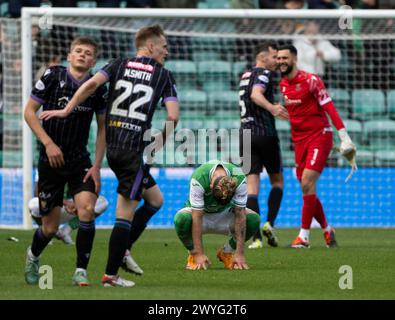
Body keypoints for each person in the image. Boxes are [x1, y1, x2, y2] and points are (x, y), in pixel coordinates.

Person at [40, 25, 180, 287]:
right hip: (134, 151)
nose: (167, 50)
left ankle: (124, 248)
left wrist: (66, 110)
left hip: (113, 148)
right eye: (163, 45)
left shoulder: (118, 63)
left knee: (155, 199)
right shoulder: (164, 75)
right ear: (150, 46)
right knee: (124, 215)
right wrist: (156, 146)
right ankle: (111, 274)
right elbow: (173, 116)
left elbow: (91, 84)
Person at [24, 37, 107, 286]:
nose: (82, 55)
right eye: (78, 51)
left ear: (93, 61)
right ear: (69, 56)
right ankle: (32, 256)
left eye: (88, 53)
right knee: (49, 229)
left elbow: (103, 129)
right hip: (50, 162)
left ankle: (80, 271)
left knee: (87, 211)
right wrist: (48, 144)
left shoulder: (98, 88)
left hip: (79, 160)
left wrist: (97, 165)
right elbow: (29, 112)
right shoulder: (52, 76)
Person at [277, 44, 357, 248]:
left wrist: (343, 135)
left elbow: (329, 107)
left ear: (294, 59)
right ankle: (327, 230)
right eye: (278, 58)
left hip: (320, 136)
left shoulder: (311, 81)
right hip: (299, 141)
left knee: (306, 183)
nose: (281, 62)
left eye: (284, 58)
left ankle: (303, 237)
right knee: (307, 188)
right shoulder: (283, 85)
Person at [239, 42, 288, 249]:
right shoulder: (264, 74)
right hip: (264, 133)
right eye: (274, 56)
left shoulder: (244, 76)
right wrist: (272, 108)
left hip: (245, 134)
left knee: (252, 188)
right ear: (262, 56)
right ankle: (269, 223)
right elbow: (256, 95)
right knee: (277, 181)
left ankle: (256, 238)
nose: (276, 60)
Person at [174, 160, 260, 271]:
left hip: (225, 214)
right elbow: (197, 216)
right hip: (201, 215)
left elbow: (240, 213)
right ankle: (193, 254)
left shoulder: (239, 176)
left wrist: (240, 253)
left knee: (253, 219)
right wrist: (199, 253)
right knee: (181, 219)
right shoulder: (199, 177)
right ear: (210, 185)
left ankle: (226, 252)